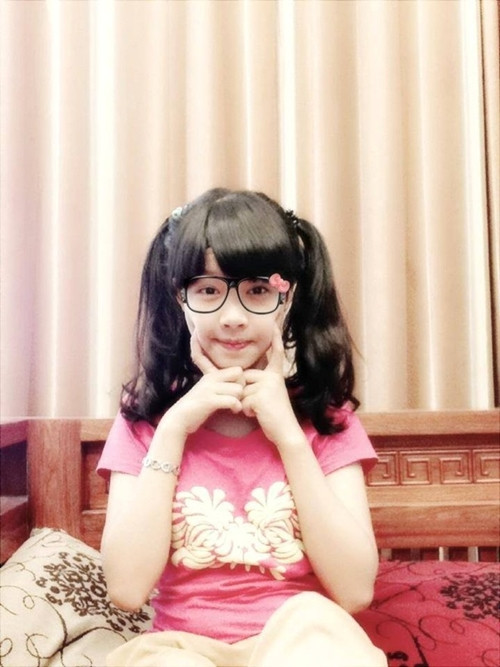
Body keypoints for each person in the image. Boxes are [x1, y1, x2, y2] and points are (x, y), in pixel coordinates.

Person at [97, 188, 387, 667]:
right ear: (180, 298)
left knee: (317, 633)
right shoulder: (145, 423)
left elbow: (355, 591)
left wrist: (289, 436)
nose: (232, 318)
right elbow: (127, 590)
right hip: (181, 649)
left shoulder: (327, 420)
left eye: (257, 291)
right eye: (208, 291)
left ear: (287, 299)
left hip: (299, 642)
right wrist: (173, 430)